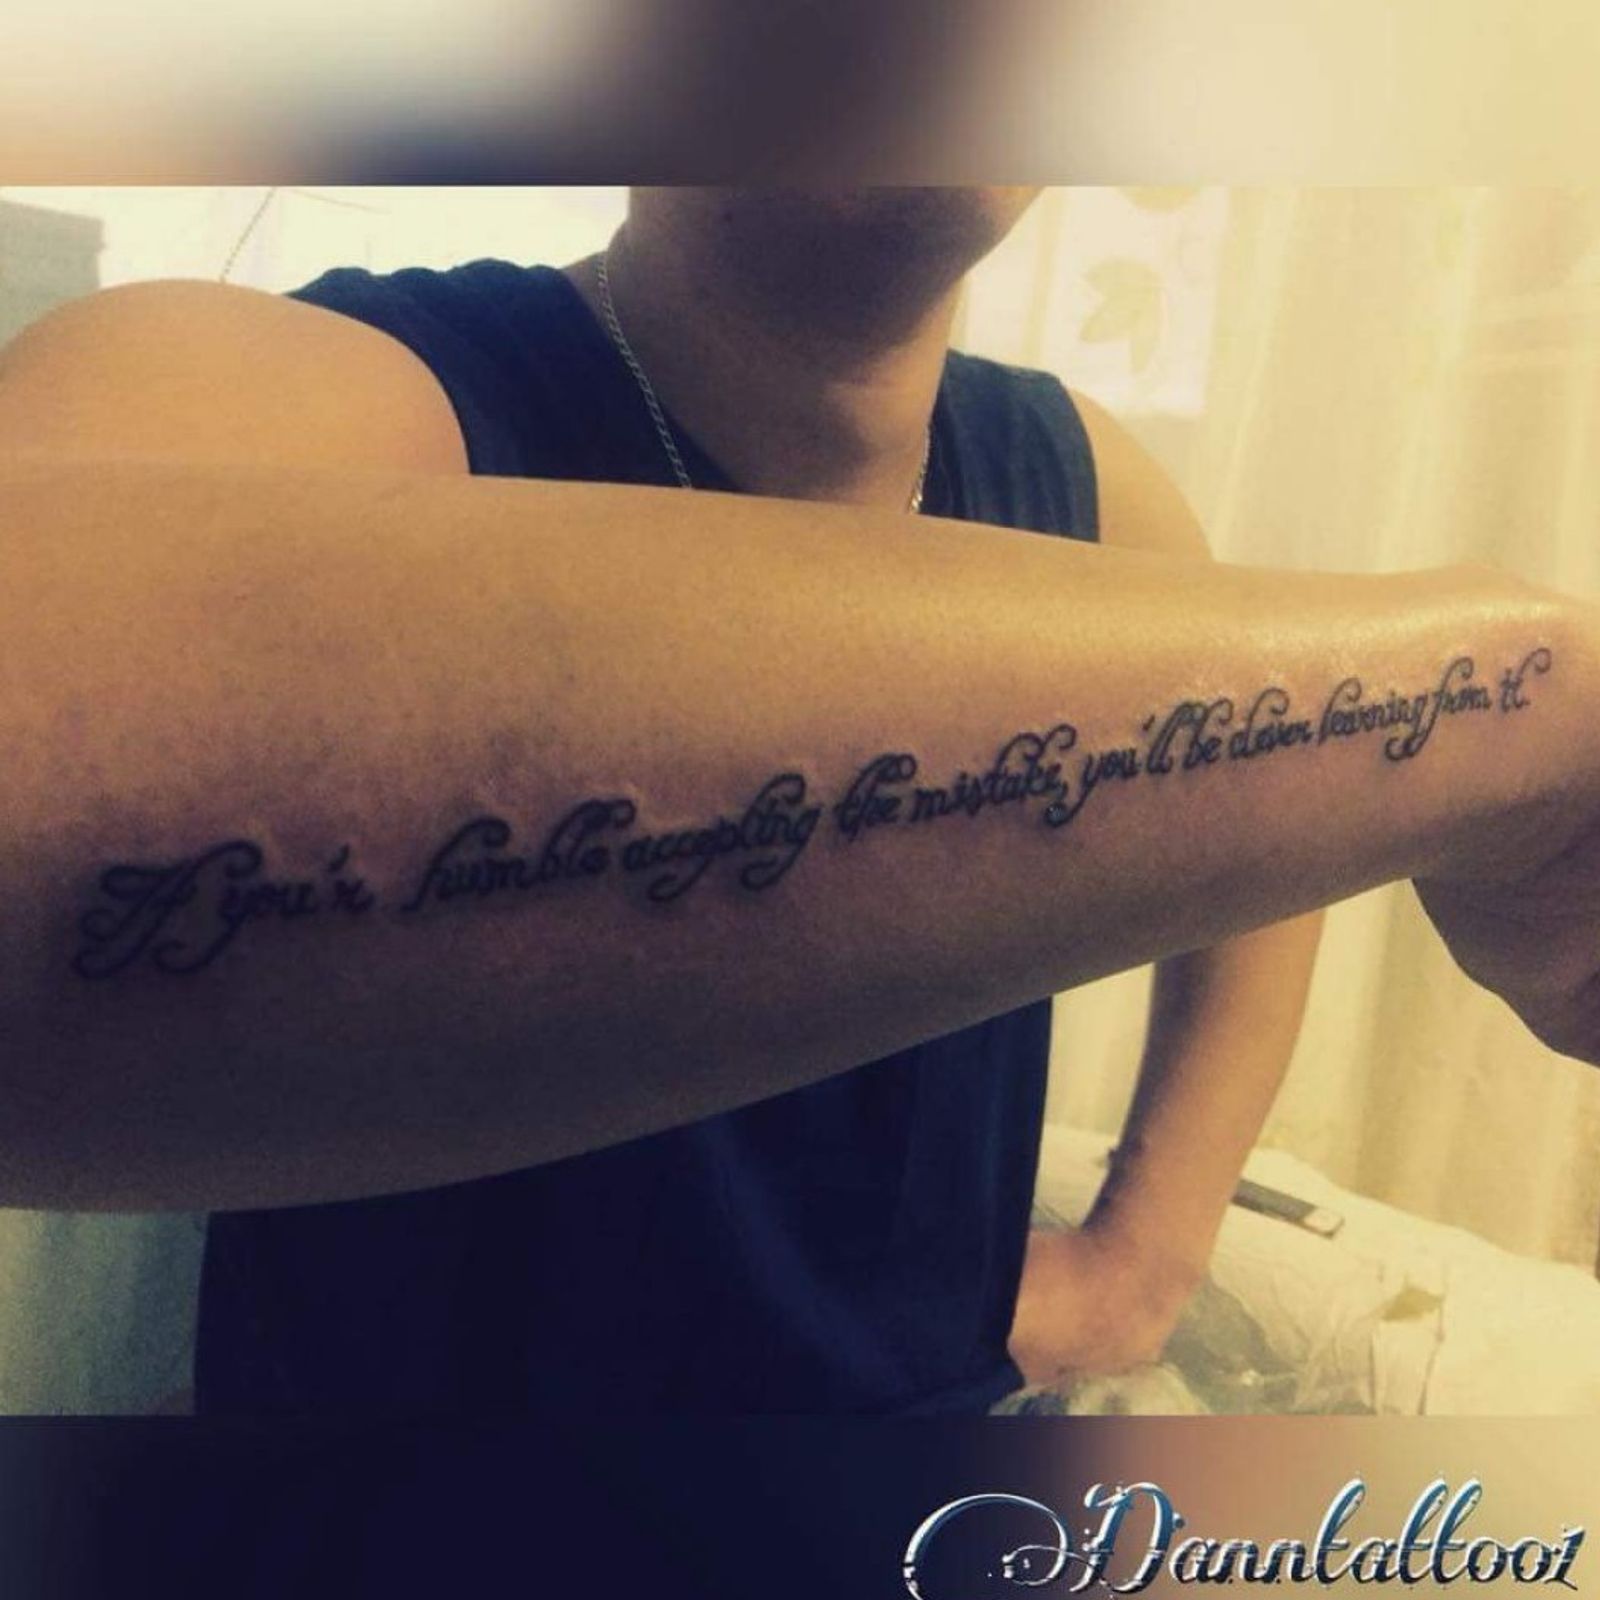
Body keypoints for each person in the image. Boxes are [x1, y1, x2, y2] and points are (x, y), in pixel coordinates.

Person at [0, 187, 1594, 1414]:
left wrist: (1145, 1254)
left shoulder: (1086, 482)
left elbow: (1264, 862)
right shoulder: (311, 382)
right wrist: (1517, 704)